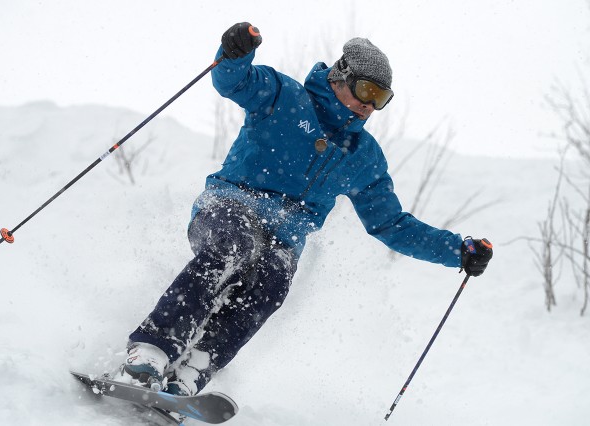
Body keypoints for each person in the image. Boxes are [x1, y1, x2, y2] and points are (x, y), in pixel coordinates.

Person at [116, 22, 493, 396]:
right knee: (235, 246)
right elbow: (234, 81)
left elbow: (391, 224)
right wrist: (235, 51)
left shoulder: (362, 156)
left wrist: (456, 251)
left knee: (272, 283)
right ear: (339, 76)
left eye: (381, 98)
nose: (369, 104)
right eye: (366, 90)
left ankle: (193, 368)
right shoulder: (283, 96)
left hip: (284, 237)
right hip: (230, 205)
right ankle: (151, 351)